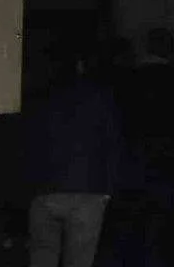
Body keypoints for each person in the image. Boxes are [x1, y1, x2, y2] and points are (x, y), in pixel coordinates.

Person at [28, 36, 123, 267]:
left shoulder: (40, 97)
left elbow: (27, 144)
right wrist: (108, 190)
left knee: (42, 258)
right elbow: (113, 144)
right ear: (81, 64)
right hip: (88, 190)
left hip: (45, 190)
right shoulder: (100, 97)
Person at [122, 28, 174, 267]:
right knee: (160, 222)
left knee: (134, 221)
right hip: (168, 159)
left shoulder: (129, 79)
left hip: (135, 156)